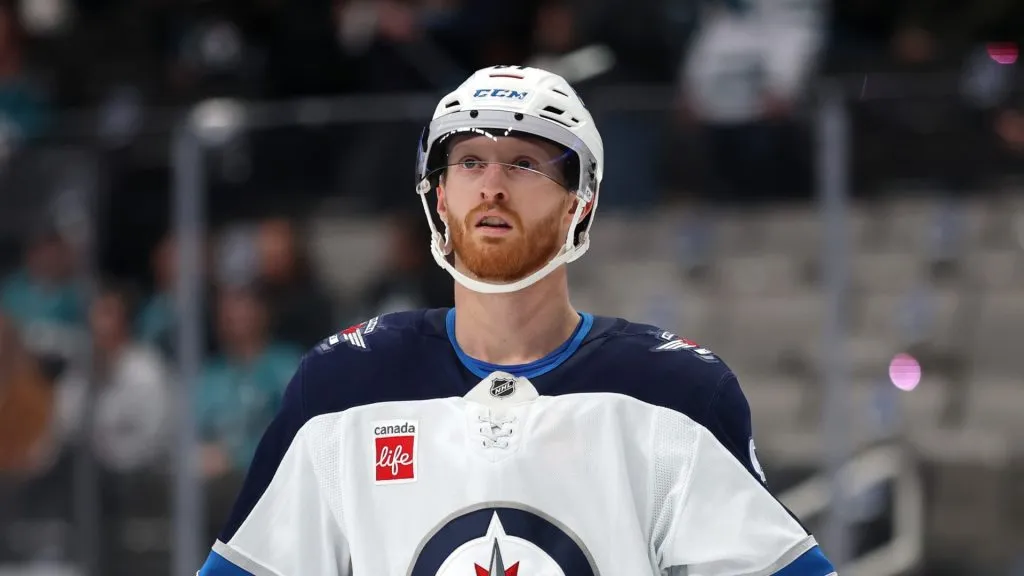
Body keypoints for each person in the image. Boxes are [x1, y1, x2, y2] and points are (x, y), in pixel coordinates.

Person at [197, 65, 836, 575]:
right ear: (438, 194)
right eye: (470, 162)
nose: (493, 185)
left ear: (578, 203)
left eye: (526, 164)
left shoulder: (676, 394)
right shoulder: (342, 387)